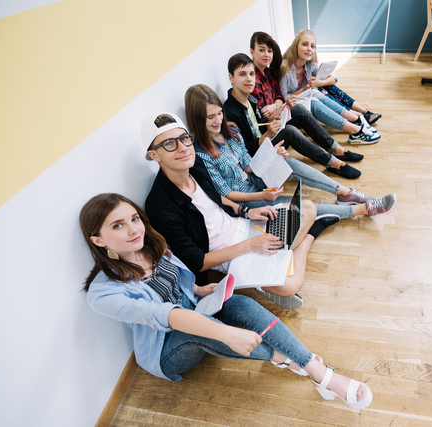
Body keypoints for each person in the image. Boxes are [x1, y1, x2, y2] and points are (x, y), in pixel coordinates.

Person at [80, 192, 373, 410]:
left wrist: (198, 290)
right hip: (168, 350)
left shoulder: (153, 247)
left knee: (240, 303)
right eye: (117, 226)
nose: (133, 229)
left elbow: (178, 284)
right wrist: (227, 333)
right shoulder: (103, 293)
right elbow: (169, 316)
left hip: (196, 313)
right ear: (98, 240)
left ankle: (314, 370)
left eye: (134, 219)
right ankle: (289, 361)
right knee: (193, 328)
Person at [142, 112, 315, 309]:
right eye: (169, 144)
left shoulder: (196, 163)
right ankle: (306, 240)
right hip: (228, 253)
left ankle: (272, 266)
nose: (183, 148)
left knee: (308, 208)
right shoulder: (160, 207)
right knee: (290, 285)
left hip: (244, 225)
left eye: (184, 139)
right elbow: (199, 262)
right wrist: (250, 245)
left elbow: (215, 196)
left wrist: (245, 211)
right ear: (154, 155)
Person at [184, 83, 397, 228]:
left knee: (290, 161)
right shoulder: (200, 156)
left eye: (219, 113)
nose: (217, 120)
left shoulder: (230, 131)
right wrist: (262, 196)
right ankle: (362, 209)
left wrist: (270, 155)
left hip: (255, 178)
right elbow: (227, 195)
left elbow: (248, 166)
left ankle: (346, 193)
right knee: (300, 207)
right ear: (196, 120)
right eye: (210, 117)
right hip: (246, 200)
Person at [223, 53, 362, 179]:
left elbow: (259, 123)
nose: (249, 79)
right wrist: (269, 134)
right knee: (290, 132)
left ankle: (336, 149)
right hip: (257, 157)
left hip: (264, 140)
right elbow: (246, 152)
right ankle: (333, 163)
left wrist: (279, 115)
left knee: (298, 109)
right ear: (231, 77)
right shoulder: (230, 113)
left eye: (251, 74)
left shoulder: (249, 99)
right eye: (242, 74)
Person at [249, 31, 364, 164]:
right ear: (252, 52)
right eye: (262, 50)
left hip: (281, 113)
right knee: (308, 103)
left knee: (319, 92)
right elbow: (267, 116)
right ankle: (349, 133)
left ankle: (348, 130)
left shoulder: (268, 72)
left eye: (269, 51)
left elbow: (278, 95)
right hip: (271, 128)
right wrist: (280, 106)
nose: (266, 55)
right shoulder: (257, 79)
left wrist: (277, 105)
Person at [280, 30, 382, 145]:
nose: (309, 48)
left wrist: (319, 83)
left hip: (303, 102)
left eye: (312, 46)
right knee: (313, 96)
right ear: (296, 46)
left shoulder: (309, 65)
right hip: (289, 113)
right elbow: (283, 102)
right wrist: (306, 89)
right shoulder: (285, 69)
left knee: (316, 92)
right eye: (305, 44)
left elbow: (333, 77)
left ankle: (356, 120)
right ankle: (356, 130)